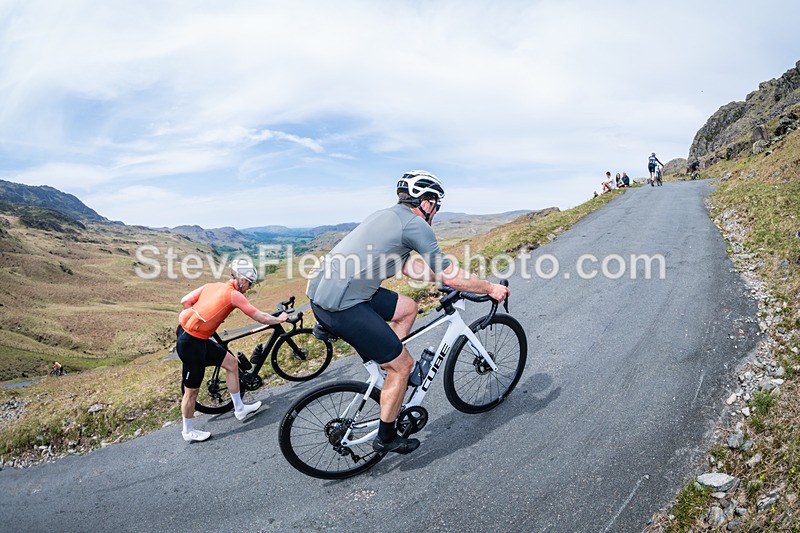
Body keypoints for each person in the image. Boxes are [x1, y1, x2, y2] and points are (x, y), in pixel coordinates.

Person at [306, 171, 509, 454]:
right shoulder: (415, 225)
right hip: (344, 305)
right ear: (424, 201)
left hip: (323, 295)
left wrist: (441, 279)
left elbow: (407, 267)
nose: (436, 210)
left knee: (408, 308)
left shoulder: (385, 215)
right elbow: (451, 276)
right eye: (435, 203)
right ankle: (386, 435)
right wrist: (488, 287)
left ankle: (387, 372)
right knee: (402, 366)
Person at [176, 258, 288, 442]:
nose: (250, 287)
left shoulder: (212, 285)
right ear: (242, 280)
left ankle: (240, 409)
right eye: (250, 283)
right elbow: (259, 316)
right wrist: (280, 319)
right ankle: (187, 432)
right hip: (191, 343)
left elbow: (185, 301)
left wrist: (200, 317)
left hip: (196, 338)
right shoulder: (234, 295)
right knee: (191, 392)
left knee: (231, 363)